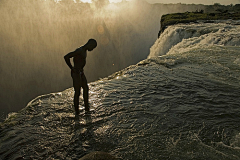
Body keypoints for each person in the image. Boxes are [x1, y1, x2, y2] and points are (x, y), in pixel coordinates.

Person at [64, 39, 97, 115]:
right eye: (92, 47)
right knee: (77, 92)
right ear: (90, 44)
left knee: (85, 88)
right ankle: (77, 111)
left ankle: (86, 108)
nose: (92, 50)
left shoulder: (84, 50)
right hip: (76, 73)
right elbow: (66, 57)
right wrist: (71, 68)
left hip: (81, 72)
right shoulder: (79, 50)